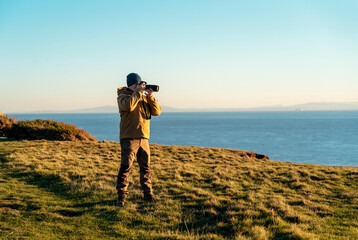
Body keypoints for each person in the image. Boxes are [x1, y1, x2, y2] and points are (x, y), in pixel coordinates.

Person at [116, 73, 161, 207]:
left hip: (144, 138)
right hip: (129, 138)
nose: (140, 86)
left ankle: (148, 195)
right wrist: (137, 92)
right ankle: (121, 197)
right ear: (132, 84)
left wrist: (151, 97)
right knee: (125, 168)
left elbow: (157, 112)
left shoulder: (142, 97)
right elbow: (129, 106)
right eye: (137, 84)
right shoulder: (123, 96)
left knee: (145, 168)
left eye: (140, 84)